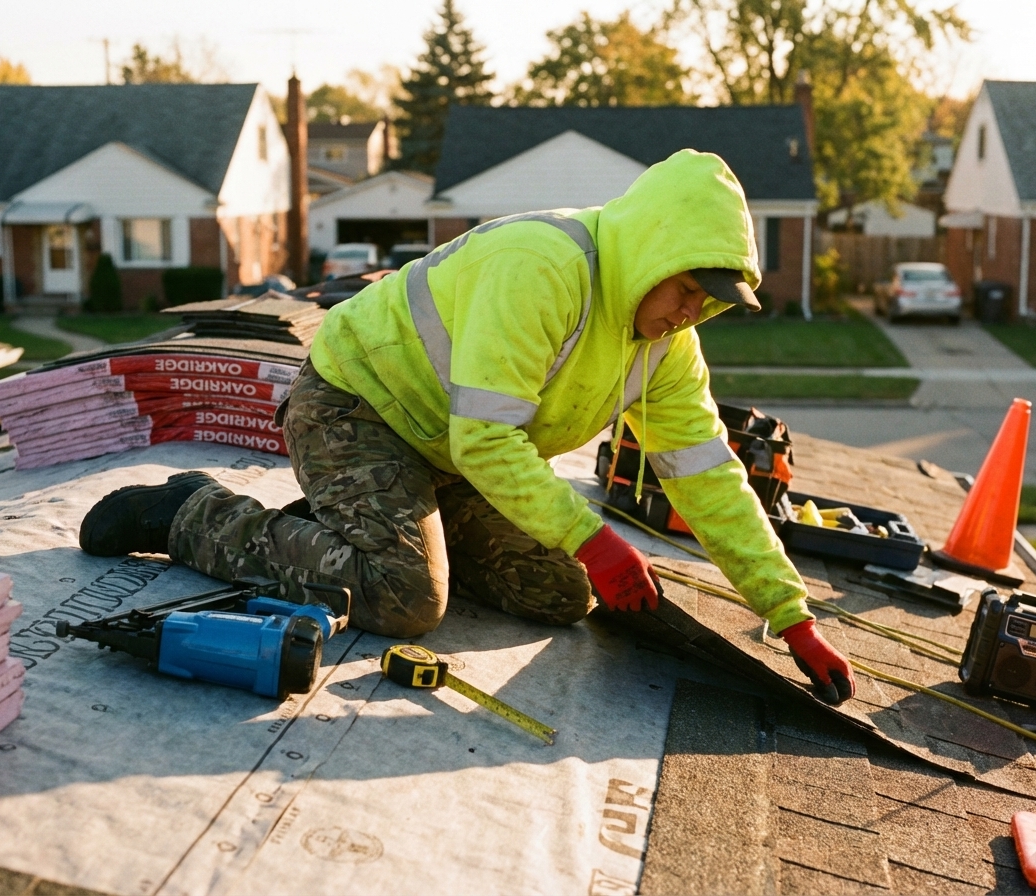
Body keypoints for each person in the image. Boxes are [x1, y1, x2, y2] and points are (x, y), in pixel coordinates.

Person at [79, 149, 855, 705]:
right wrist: (595, 533)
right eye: (687, 288)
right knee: (409, 599)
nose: (691, 311)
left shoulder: (667, 346)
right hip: (356, 408)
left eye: (710, 301)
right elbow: (486, 440)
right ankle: (189, 511)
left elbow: (711, 480)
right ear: (652, 249)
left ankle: (357, 525)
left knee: (566, 591)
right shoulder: (545, 267)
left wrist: (790, 615)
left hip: (448, 451)